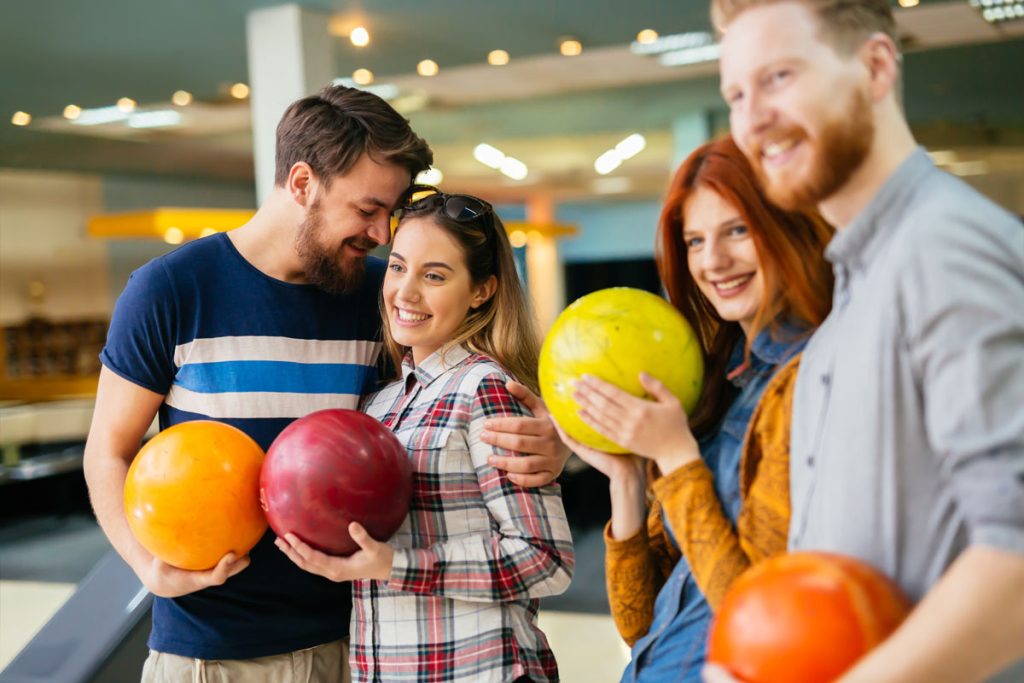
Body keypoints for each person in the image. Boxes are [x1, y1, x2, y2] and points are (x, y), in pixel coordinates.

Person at [83, 86, 570, 683]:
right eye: (367, 209)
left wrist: (552, 439)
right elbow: (108, 450)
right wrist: (143, 564)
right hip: (213, 652)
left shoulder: (378, 298)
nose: (380, 232)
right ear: (302, 182)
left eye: (389, 214)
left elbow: (450, 406)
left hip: (361, 646)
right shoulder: (170, 290)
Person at [706, 1, 1024, 681]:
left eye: (780, 77)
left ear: (876, 67)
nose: (753, 118)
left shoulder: (943, 249)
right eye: (737, 93)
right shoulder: (855, 291)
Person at [559, 136, 833, 682]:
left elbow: (755, 613)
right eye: (694, 240)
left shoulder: (808, 380)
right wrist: (628, 480)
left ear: (786, 228)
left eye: (737, 230)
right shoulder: (716, 380)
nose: (714, 261)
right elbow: (640, 625)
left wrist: (677, 456)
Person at [275, 186, 575, 683]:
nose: (405, 292)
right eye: (397, 266)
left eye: (434, 275)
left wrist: (396, 565)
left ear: (482, 290)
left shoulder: (484, 388)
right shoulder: (380, 403)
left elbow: (544, 559)